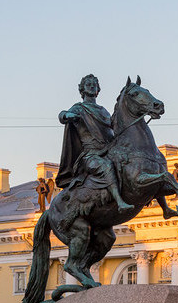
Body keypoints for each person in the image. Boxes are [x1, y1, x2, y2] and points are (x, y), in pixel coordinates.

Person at [56, 74, 133, 212]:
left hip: (108, 151)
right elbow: (62, 115)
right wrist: (67, 115)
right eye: (88, 84)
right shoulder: (79, 108)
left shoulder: (103, 111)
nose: (92, 86)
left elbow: (114, 128)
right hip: (90, 155)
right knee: (106, 166)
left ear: (98, 89)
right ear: (82, 89)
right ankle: (120, 202)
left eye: (94, 85)